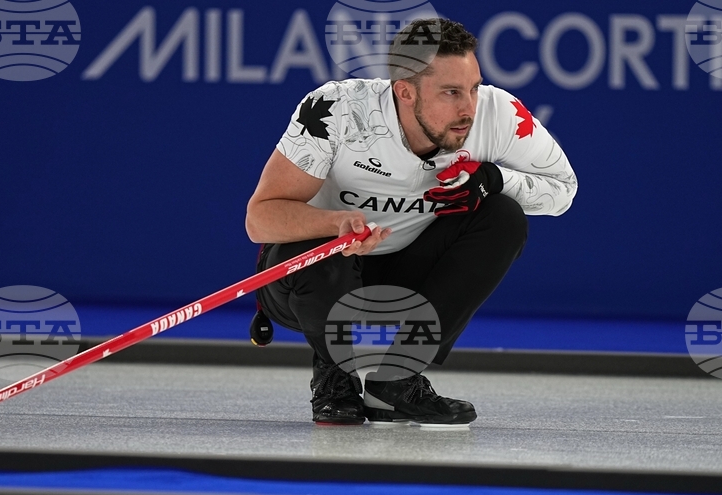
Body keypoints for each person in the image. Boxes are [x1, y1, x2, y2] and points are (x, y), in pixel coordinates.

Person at [246, 18, 577, 427]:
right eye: (451, 92)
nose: (469, 108)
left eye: (473, 88)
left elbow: (564, 192)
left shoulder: (500, 115)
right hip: (313, 277)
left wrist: (493, 179)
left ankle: (398, 378)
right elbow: (260, 217)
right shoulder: (338, 109)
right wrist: (335, 224)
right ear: (405, 91)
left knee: (503, 215)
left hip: (403, 277)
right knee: (324, 260)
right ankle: (336, 377)